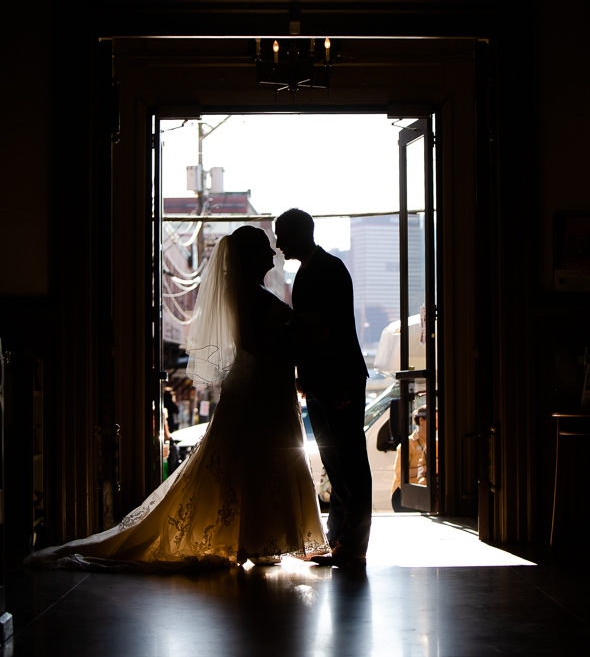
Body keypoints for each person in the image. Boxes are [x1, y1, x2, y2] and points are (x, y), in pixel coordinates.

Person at [28, 226, 327, 569]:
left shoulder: (250, 292)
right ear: (248, 257)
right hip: (258, 391)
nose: (272, 255)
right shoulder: (249, 295)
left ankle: (259, 539)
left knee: (258, 463)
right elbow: (256, 345)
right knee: (253, 462)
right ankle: (252, 539)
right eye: (264, 249)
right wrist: (297, 338)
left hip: (266, 389)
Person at [274, 208, 371, 567]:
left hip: (339, 378)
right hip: (321, 380)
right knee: (336, 462)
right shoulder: (311, 270)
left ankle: (354, 545)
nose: (279, 243)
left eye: (282, 235)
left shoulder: (328, 269)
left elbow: (332, 332)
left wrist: (340, 383)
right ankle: (338, 539)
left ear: (300, 233)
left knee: (350, 463)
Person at [391, 406, 427, 512]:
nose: (437, 425)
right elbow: (399, 473)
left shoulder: (437, 442)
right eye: (435, 420)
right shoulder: (408, 444)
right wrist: (425, 469)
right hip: (405, 495)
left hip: (424, 494)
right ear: (421, 420)